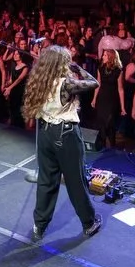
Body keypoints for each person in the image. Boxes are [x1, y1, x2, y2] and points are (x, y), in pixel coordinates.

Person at [21, 45, 103, 242]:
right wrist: (77, 68)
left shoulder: (38, 80)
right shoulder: (66, 84)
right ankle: (89, 223)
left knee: (47, 181)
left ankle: (39, 226)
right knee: (76, 180)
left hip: (45, 134)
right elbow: (94, 82)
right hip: (65, 135)